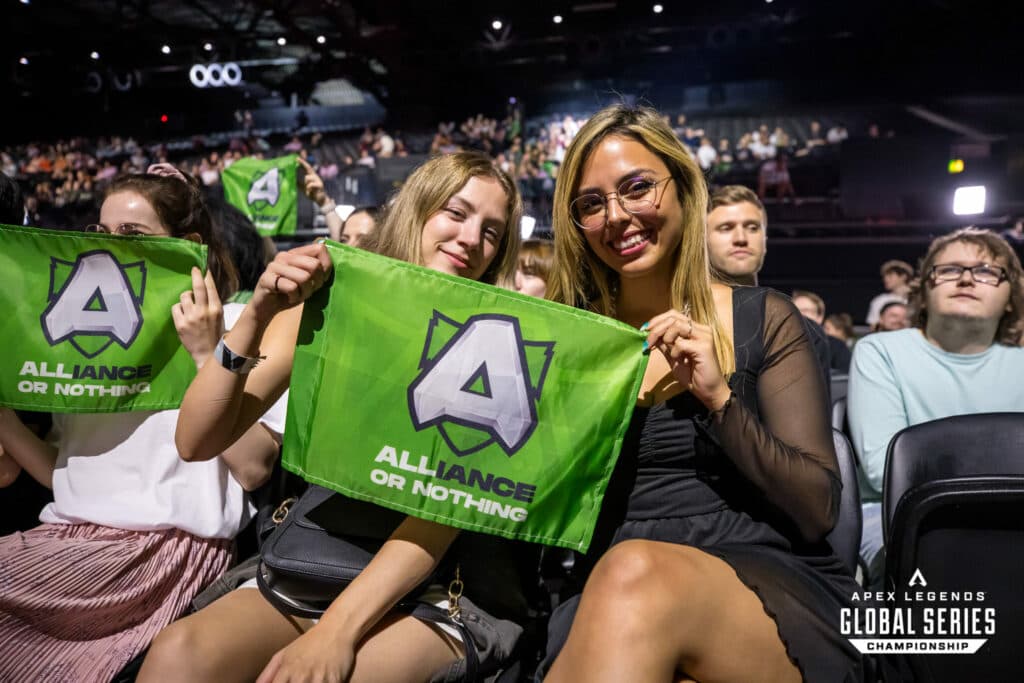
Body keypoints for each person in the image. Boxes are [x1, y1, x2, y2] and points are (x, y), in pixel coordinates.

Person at [141, 151, 526, 683]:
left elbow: (438, 518)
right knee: (179, 654)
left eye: (491, 232)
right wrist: (257, 314)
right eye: (455, 213)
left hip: (440, 583)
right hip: (319, 555)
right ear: (416, 208)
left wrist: (335, 634)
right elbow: (196, 440)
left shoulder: (500, 339)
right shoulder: (331, 298)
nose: (470, 239)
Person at [540, 104, 868, 682]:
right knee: (624, 581)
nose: (617, 217)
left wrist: (720, 401)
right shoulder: (569, 342)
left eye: (637, 188)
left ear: (684, 188)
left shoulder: (762, 318)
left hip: (764, 583)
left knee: (632, 572)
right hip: (605, 590)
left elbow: (818, 510)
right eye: (591, 204)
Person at [0, 171, 284, 682]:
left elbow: (253, 467)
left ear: (187, 246)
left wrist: (208, 354)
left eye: (133, 235)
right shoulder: (82, 339)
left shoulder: (244, 324)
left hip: (157, 556)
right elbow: (63, 475)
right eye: (103, 233)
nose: (113, 247)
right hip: (67, 539)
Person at [848, 227, 1024, 589]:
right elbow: (887, 470)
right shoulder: (880, 352)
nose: (965, 278)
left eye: (987, 271)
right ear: (924, 293)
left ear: (1011, 298)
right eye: (948, 270)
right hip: (897, 513)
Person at [706, 185, 833, 392]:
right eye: (726, 228)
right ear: (702, 240)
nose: (741, 238)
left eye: (752, 227)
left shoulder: (804, 330)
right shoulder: (685, 323)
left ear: (765, 240)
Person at [793, 289, 852, 373]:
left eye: (805, 310)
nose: (800, 314)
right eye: (794, 310)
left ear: (819, 316)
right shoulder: (777, 345)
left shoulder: (836, 347)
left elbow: (843, 378)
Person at [865, 259, 913, 327]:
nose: (885, 279)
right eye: (884, 276)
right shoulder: (880, 300)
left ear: (903, 276)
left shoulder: (918, 299)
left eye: (890, 275)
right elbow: (873, 326)